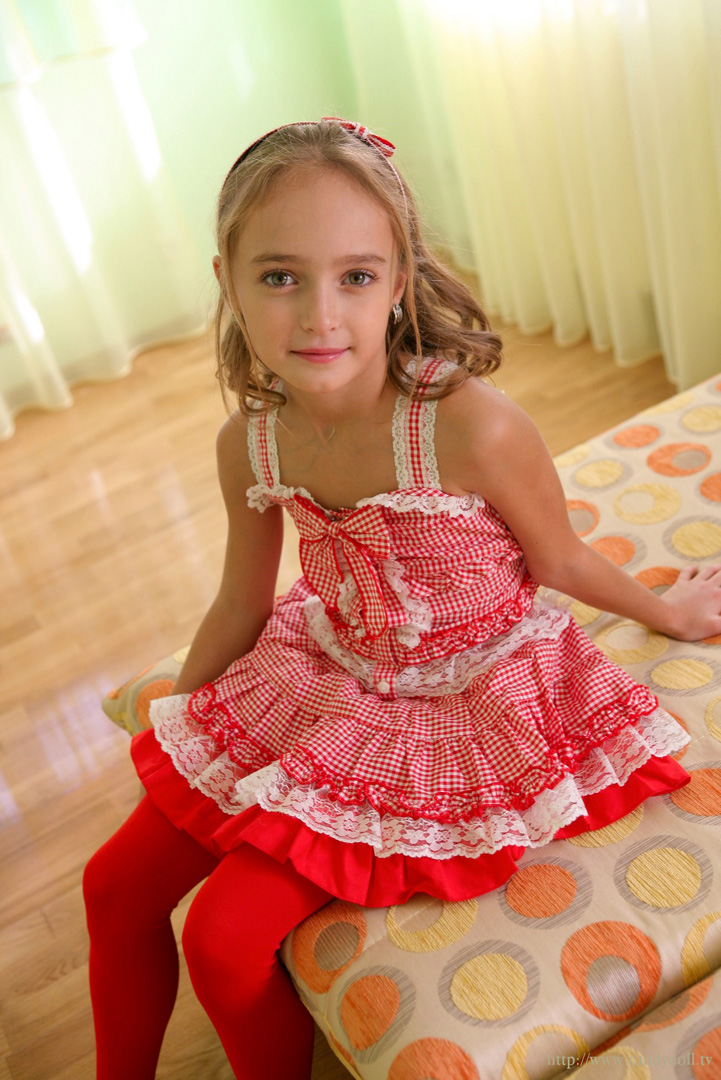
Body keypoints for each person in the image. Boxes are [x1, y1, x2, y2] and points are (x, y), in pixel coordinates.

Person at [83, 117, 721, 1080]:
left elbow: (557, 558)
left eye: (355, 276)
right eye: (279, 276)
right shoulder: (249, 442)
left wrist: (671, 613)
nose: (318, 317)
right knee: (109, 886)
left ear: (397, 283)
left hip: (462, 697)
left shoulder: (468, 426)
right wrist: (181, 735)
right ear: (228, 282)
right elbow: (240, 604)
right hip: (327, 668)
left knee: (220, 936)